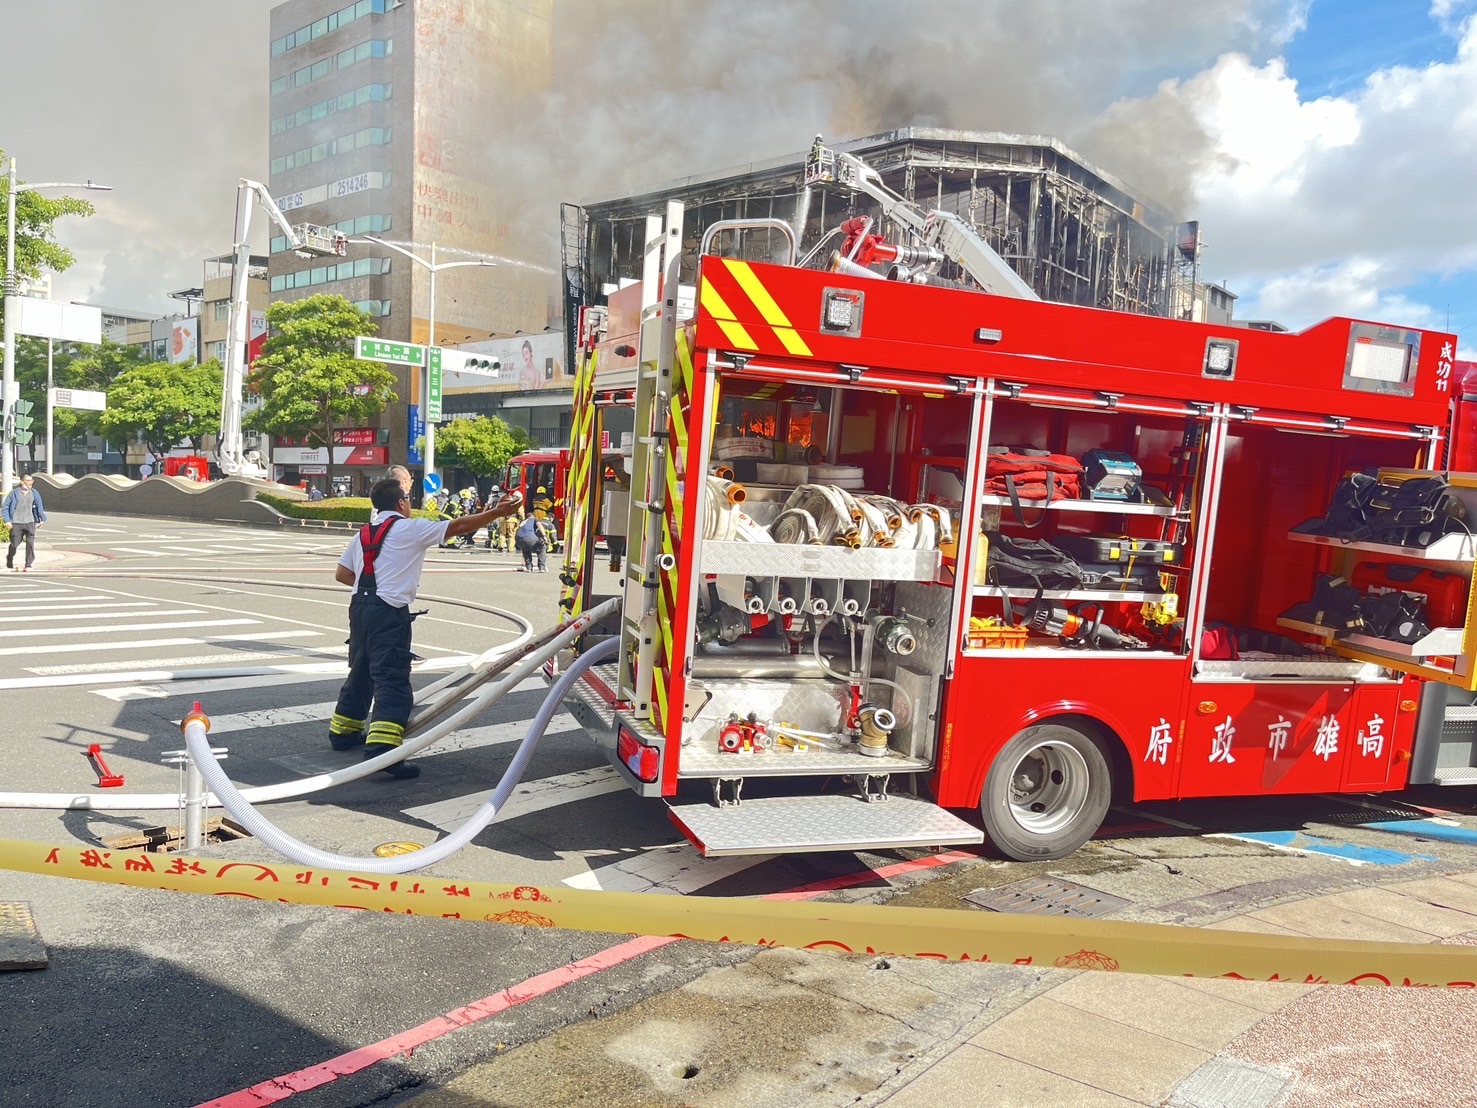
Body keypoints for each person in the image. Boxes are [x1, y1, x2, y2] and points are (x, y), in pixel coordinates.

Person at [328, 478, 521, 777]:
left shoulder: (363, 534)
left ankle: (342, 733)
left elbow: (342, 574)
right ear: (402, 502)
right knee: (391, 677)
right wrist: (497, 513)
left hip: (360, 608)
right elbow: (457, 527)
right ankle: (383, 751)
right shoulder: (410, 528)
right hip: (389, 610)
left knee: (362, 670)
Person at [3, 474, 47, 573]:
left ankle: (28, 564)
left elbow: (40, 507)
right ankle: (10, 557)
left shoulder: (34, 493)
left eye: (31, 480)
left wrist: (42, 519)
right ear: (22, 482)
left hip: (30, 522)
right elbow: (5, 507)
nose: (30, 482)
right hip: (16, 522)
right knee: (15, 543)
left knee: (30, 543)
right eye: (28, 480)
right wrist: (8, 521)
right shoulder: (14, 493)